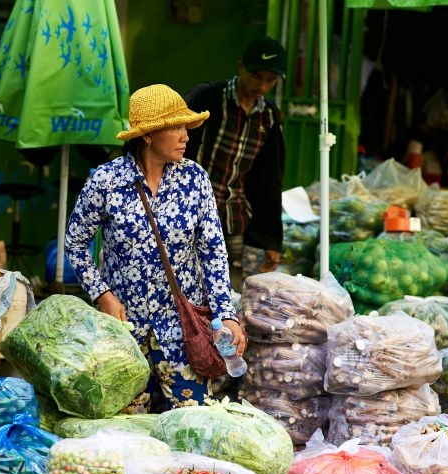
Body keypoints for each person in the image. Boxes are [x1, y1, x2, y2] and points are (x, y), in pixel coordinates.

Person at [65, 84, 247, 411]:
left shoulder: (195, 180)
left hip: (183, 331)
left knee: (191, 425)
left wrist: (226, 315)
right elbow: (76, 244)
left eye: (186, 127)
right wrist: (102, 294)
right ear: (147, 135)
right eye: (176, 127)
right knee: (127, 429)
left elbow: (214, 254)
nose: (185, 136)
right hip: (124, 334)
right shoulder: (107, 181)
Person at [184, 36, 287, 291]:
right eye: (256, 76)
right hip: (191, 209)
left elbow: (270, 178)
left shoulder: (269, 116)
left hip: (233, 215)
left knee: (227, 286)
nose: (262, 86)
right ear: (241, 67)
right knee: (184, 278)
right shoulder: (207, 98)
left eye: (271, 80)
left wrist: (272, 240)